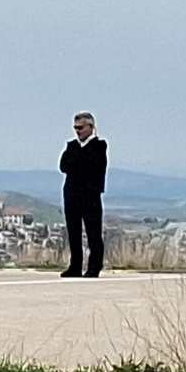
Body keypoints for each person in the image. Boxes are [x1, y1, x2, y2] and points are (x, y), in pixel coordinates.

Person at [59, 111, 107, 278]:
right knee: (73, 232)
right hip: (72, 195)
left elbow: (92, 166)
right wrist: (78, 161)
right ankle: (75, 266)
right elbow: (64, 166)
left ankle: (94, 266)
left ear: (90, 127)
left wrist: (77, 162)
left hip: (90, 196)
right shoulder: (72, 146)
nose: (77, 131)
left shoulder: (99, 146)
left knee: (93, 232)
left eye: (80, 128)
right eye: (75, 128)